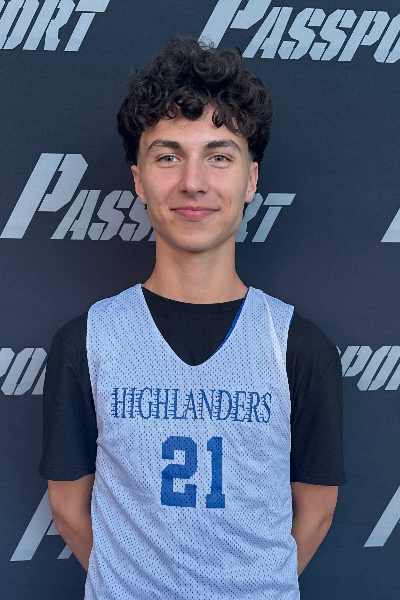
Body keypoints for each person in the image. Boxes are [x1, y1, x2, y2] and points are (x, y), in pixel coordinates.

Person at [39, 37, 345, 599]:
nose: (193, 182)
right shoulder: (87, 342)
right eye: (168, 156)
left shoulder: (297, 347)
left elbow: (316, 511)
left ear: (251, 180)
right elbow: (68, 507)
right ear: (139, 179)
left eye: (219, 156)